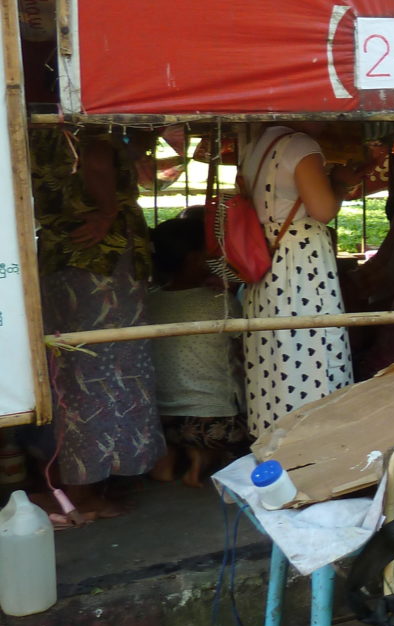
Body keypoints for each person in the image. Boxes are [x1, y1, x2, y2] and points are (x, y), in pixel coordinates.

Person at [28, 126, 163, 522]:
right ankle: (84, 493)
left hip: (63, 258)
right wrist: (107, 214)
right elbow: (99, 162)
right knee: (104, 368)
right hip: (98, 263)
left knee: (71, 368)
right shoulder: (91, 123)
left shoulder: (44, 128)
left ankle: (78, 482)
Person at [240, 123, 354, 438]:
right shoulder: (300, 145)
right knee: (312, 345)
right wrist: (340, 184)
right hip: (300, 260)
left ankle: (275, 436)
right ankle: (314, 437)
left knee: (275, 352)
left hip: (267, 258)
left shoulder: (257, 145)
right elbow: (323, 209)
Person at [147, 208, 246, 487]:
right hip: (215, 425)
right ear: (193, 258)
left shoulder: (148, 301)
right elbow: (245, 350)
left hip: (161, 420)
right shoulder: (218, 301)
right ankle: (202, 458)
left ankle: (172, 458)